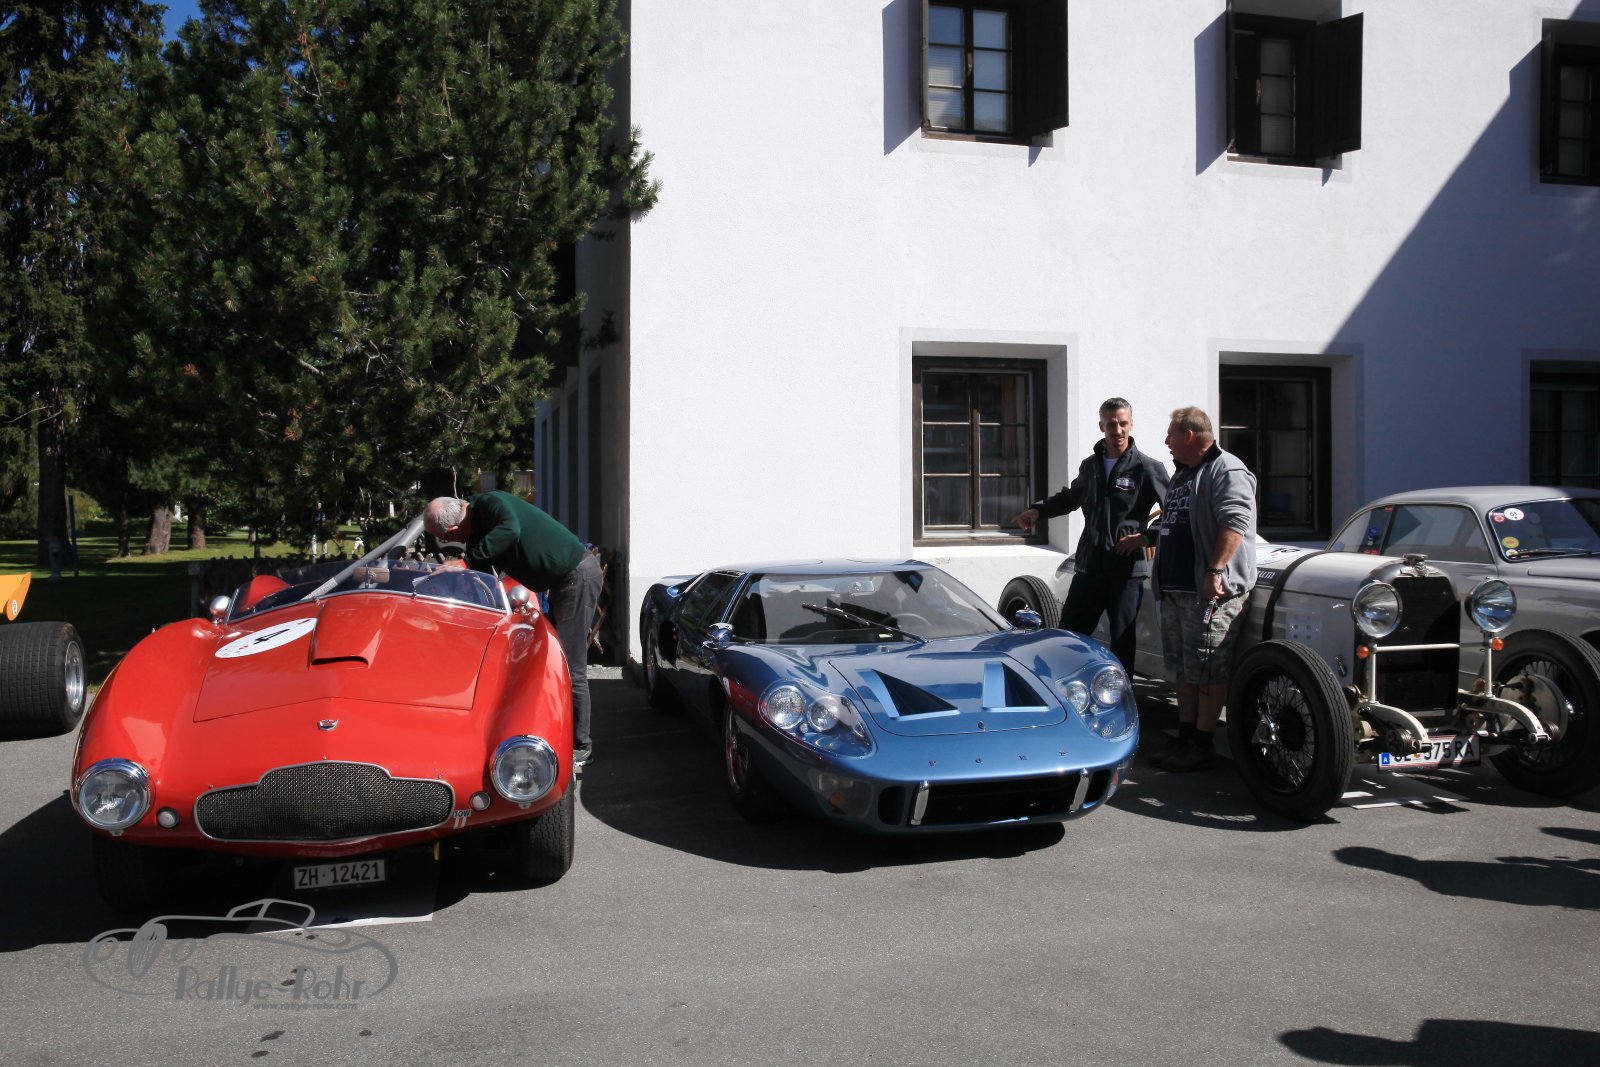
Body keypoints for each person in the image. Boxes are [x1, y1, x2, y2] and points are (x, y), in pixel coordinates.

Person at [424, 493, 602, 766]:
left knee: (567, 665)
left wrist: (464, 563)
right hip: (561, 582)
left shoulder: (491, 503)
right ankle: (554, 735)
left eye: (445, 538)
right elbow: (480, 578)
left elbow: (510, 529)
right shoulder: (477, 535)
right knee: (547, 661)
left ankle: (581, 746)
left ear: (454, 528)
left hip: (576, 576)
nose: (449, 543)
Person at [1011, 397, 1169, 675]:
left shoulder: (1147, 468)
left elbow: (1173, 511)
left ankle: (1120, 696)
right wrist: (1038, 511)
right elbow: (1070, 499)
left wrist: (1145, 538)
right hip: (1089, 568)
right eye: (1111, 424)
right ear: (1101, 426)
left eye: (1123, 423)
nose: (1117, 430)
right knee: (1069, 637)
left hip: (1126, 572)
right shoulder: (1090, 466)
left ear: (1131, 424)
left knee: (1122, 643)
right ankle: (1063, 691)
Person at [1149, 406, 1257, 772]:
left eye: (1171, 434)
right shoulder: (1185, 474)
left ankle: (1203, 742)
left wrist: (1215, 569)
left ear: (1190, 435)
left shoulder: (1226, 470)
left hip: (1209, 591)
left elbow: (1235, 524)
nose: (1166, 441)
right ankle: (1186, 736)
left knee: (1208, 667)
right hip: (1177, 591)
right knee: (1184, 668)